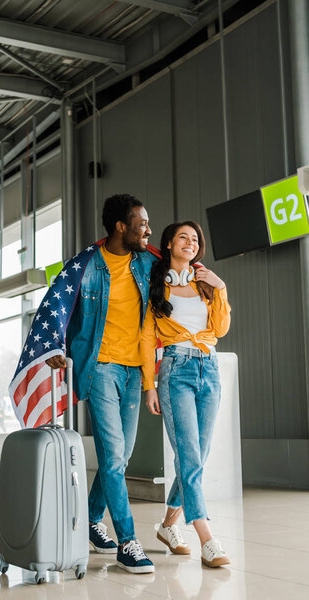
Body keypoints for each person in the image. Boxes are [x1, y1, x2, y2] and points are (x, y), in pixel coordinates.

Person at [47, 194, 157, 574]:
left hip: (133, 372)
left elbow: (180, 274)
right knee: (113, 457)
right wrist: (54, 348)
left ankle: (92, 520)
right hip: (101, 369)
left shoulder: (146, 263)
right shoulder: (84, 266)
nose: (148, 230)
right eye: (142, 223)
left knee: (120, 458)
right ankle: (128, 541)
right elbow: (57, 309)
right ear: (120, 227)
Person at [140, 221, 231, 568]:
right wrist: (150, 384)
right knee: (190, 457)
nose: (190, 243)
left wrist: (219, 287)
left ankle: (167, 527)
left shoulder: (205, 283)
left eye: (195, 239)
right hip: (175, 371)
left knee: (198, 456)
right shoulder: (155, 288)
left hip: (210, 369)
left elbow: (220, 328)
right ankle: (206, 537)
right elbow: (148, 338)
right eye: (183, 237)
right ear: (168, 244)